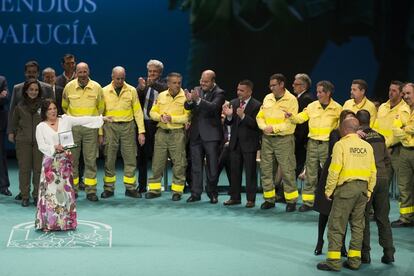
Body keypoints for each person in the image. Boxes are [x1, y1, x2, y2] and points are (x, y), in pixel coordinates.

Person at [35, 99, 107, 231]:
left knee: (65, 191)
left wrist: (102, 119)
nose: (53, 111)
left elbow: (82, 120)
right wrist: (54, 147)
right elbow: (41, 146)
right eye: (50, 109)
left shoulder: (65, 120)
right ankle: (49, 223)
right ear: (44, 112)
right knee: (51, 193)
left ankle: (66, 222)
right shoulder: (40, 127)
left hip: (65, 163)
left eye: (54, 108)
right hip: (50, 163)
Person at [317, 117, 376, 272]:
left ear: (343, 130)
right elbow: (372, 171)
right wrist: (369, 190)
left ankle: (334, 262)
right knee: (358, 226)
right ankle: (354, 261)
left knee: (336, 225)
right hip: (363, 190)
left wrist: (328, 190)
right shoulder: (367, 146)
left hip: (346, 190)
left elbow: (334, 169)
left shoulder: (341, 145)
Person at [286, 80, 342, 211]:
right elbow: (301, 118)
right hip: (312, 143)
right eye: (317, 91)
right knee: (310, 173)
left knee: (329, 174)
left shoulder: (338, 108)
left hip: (327, 145)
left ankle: (329, 201)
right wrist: (291, 117)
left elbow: (341, 127)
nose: (318, 94)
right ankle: (308, 202)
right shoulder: (312, 106)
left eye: (321, 92)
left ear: (328, 93)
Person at [313, 110, 356, 256]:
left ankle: (342, 245)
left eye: (352, 119)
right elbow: (335, 151)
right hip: (331, 172)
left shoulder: (357, 138)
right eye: (348, 119)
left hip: (346, 174)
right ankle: (320, 241)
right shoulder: (335, 134)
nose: (350, 123)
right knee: (325, 211)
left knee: (342, 213)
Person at [356, 110, 395, 264]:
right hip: (383, 178)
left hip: (368, 180)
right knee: (383, 218)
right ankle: (389, 252)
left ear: (358, 122)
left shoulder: (359, 138)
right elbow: (387, 159)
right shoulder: (380, 136)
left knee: (363, 217)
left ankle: (365, 254)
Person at [61, 62, 105, 201]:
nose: (82, 74)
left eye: (85, 71)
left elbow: (101, 110)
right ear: (76, 72)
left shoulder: (97, 87)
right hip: (73, 129)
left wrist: (99, 132)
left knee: (90, 160)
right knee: (72, 161)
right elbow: (64, 106)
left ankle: (91, 191)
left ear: (88, 71)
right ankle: (72, 190)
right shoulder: (69, 87)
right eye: (80, 72)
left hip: (91, 129)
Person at [100, 66, 144, 199]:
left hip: (128, 127)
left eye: (122, 78)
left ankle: (130, 188)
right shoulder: (104, 91)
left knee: (130, 158)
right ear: (112, 77)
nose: (120, 81)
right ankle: (109, 188)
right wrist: (100, 133)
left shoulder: (131, 90)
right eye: (117, 78)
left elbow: (137, 111)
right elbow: (100, 113)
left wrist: (141, 131)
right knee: (109, 158)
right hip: (110, 127)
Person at [256, 73, 299, 212]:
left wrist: (272, 128)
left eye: (274, 85)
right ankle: (269, 199)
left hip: (284, 139)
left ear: (282, 85)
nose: (271, 87)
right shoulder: (267, 98)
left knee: (287, 170)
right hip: (267, 139)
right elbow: (260, 116)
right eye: (270, 85)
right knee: (266, 169)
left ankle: (291, 200)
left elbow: (290, 124)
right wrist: (264, 127)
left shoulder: (291, 100)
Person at [146, 72, 189, 200]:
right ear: (168, 84)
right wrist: (160, 117)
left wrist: (172, 119)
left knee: (179, 163)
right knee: (157, 162)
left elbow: (187, 116)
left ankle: (177, 191)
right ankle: (154, 189)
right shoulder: (161, 96)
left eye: (179, 83)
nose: (177, 85)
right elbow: (152, 112)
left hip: (177, 134)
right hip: (161, 133)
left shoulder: (185, 97)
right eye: (174, 83)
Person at [185, 70, 225, 203]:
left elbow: (213, 107)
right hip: (196, 135)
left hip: (211, 136)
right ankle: (195, 193)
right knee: (195, 166)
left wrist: (197, 100)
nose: (202, 83)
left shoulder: (219, 93)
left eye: (206, 81)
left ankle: (212, 193)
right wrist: (189, 101)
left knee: (212, 168)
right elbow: (188, 106)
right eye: (201, 80)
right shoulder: (197, 89)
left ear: (213, 81)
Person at [222, 80, 261, 208]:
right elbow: (229, 123)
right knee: (235, 172)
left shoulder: (257, 105)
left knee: (250, 173)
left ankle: (251, 199)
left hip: (249, 144)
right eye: (238, 89)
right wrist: (228, 117)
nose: (239, 92)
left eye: (242, 90)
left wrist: (243, 116)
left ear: (249, 91)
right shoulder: (233, 103)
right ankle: (235, 197)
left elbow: (256, 125)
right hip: (235, 144)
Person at [9, 80, 43, 207]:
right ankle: (24, 196)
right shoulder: (20, 106)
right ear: (26, 91)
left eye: (36, 90)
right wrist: (14, 133)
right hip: (23, 142)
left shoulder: (43, 105)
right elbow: (14, 122)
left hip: (40, 142)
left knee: (38, 170)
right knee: (24, 170)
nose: (33, 92)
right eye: (31, 89)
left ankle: (37, 195)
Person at [136, 59, 168, 194]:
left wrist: (152, 84)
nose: (152, 73)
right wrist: (140, 89)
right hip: (144, 124)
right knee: (142, 156)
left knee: (157, 157)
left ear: (160, 73)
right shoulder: (143, 82)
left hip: (158, 124)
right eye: (150, 71)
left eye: (155, 71)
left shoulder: (164, 83)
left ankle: (155, 185)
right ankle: (142, 186)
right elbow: (136, 98)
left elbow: (163, 90)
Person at [391, 82, 414, 227]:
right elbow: (395, 129)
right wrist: (407, 133)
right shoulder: (402, 108)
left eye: (408, 93)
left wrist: (405, 128)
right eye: (404, 93)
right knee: (404, 186)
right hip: (405, 151)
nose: (405, 96)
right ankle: (406, 217)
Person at [292, 73, 314, 178]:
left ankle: (284, 192)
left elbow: (304, 124)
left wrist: (297, 140)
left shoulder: (306, 99)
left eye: (296, 84)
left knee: (296, 166)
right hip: (299, 139)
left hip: (301, 140)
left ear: (304, 86)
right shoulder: (300, 98)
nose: (293, 85)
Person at [0, 75, 12, 196]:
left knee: (1, 156)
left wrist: (2, 97)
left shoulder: (2, 80)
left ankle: (3, 186)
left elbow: (6, 99)